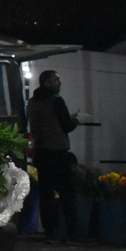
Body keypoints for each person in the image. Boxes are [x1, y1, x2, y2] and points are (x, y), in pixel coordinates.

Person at [26, 70, 81, 242]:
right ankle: (72, 233)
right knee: (67, 194)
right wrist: (76, 120)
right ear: (47, 83)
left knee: (46, 195)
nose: (60, 82)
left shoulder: (32, 102)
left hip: (41, 153)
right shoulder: (56, 101)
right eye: (56, 79)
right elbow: (66, 125)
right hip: (57, 153)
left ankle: (51, 232)